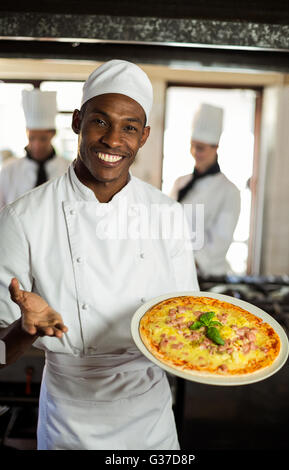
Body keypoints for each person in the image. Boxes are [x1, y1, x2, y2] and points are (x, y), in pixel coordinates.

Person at [0, 60, 199, 450]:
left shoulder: (168, 215)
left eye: (128, 127)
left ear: (143, 137)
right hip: (68, 420)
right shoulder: (22, 217)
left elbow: (186, 321)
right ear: (77, 121)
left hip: (151, 418)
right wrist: (24, 329)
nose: (112, 140)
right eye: (100, 121)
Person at [170, 103, 241, 277]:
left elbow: (219, 243)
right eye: (192, 145)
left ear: (216, 147)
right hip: (174, 268)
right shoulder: (181, 182)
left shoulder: (229, 191)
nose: (195, 152)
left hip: (207, 275)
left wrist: (185, 263)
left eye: (200, 147)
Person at [0, 89, 70, 209]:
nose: (36, 145)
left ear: (53, 134)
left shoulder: (68, 169)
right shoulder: (8, 171)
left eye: (43, 139)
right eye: (32, 138)